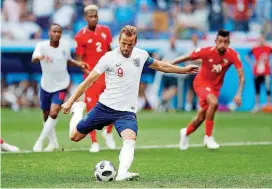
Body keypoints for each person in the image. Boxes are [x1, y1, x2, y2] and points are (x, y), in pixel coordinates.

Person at [61, 25, 198, 181]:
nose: (126, 47)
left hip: (126, 112)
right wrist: (70, 101)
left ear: (135, 42)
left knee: (130, 137)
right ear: (119, 40)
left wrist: (184, 70)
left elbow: (161, 65)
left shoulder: (141, 55)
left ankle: (122, 172)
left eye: (130, 44)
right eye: (123, 43)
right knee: (74, 137)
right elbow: (88, 81)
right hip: (104, 107)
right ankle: (78, 111)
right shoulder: (109, 58)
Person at [171, 29, 245, 150]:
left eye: (225, 42)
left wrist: (239, 93)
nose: (222, 44)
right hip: (201, 83)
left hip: (215, 88)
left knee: (201, 117)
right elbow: (187, 56)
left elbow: (241, 76)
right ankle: (208, 137)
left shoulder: (232, 55)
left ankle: (185, 132)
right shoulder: (206, 51)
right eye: (220, 41)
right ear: (215, 41)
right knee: (214, 102)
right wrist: (170, 63)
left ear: (229, 43)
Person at [32, 23, 88, 152]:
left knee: (53, 112)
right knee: (46, 115)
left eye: (59, 32)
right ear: (49, 33)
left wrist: (78, 64)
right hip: (46, 85)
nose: (57, 34)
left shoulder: (65, 46)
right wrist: (38, 57)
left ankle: (39, 142)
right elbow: (34, 58)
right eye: (54, 31)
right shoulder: (42, 46)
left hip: (61, 85)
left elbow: (67, 60)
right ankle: (53, 143)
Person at [74, 4, 115, 152]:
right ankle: (94, 141)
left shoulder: (105, 31)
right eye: (90, 16)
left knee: (115, 103)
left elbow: (110, 51)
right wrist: (84, 68)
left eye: (95, 16)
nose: (93, 19)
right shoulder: (80, 36)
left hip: (107, 75)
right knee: (91, 109)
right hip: (91, 77)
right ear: (85, 18)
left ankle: (108, 132)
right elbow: (79, 59)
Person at [246, 35, 272, 113]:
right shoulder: (255, 49)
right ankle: (257, 105)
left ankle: (268, 105)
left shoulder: (268, 48)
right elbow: (247, 56)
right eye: (260, 40)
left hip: (266, 72)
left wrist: (270, 63)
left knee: (267, 88)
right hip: (257, 72)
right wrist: (252, 63)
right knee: (257, 89)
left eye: (262, 40)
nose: (261, 41)